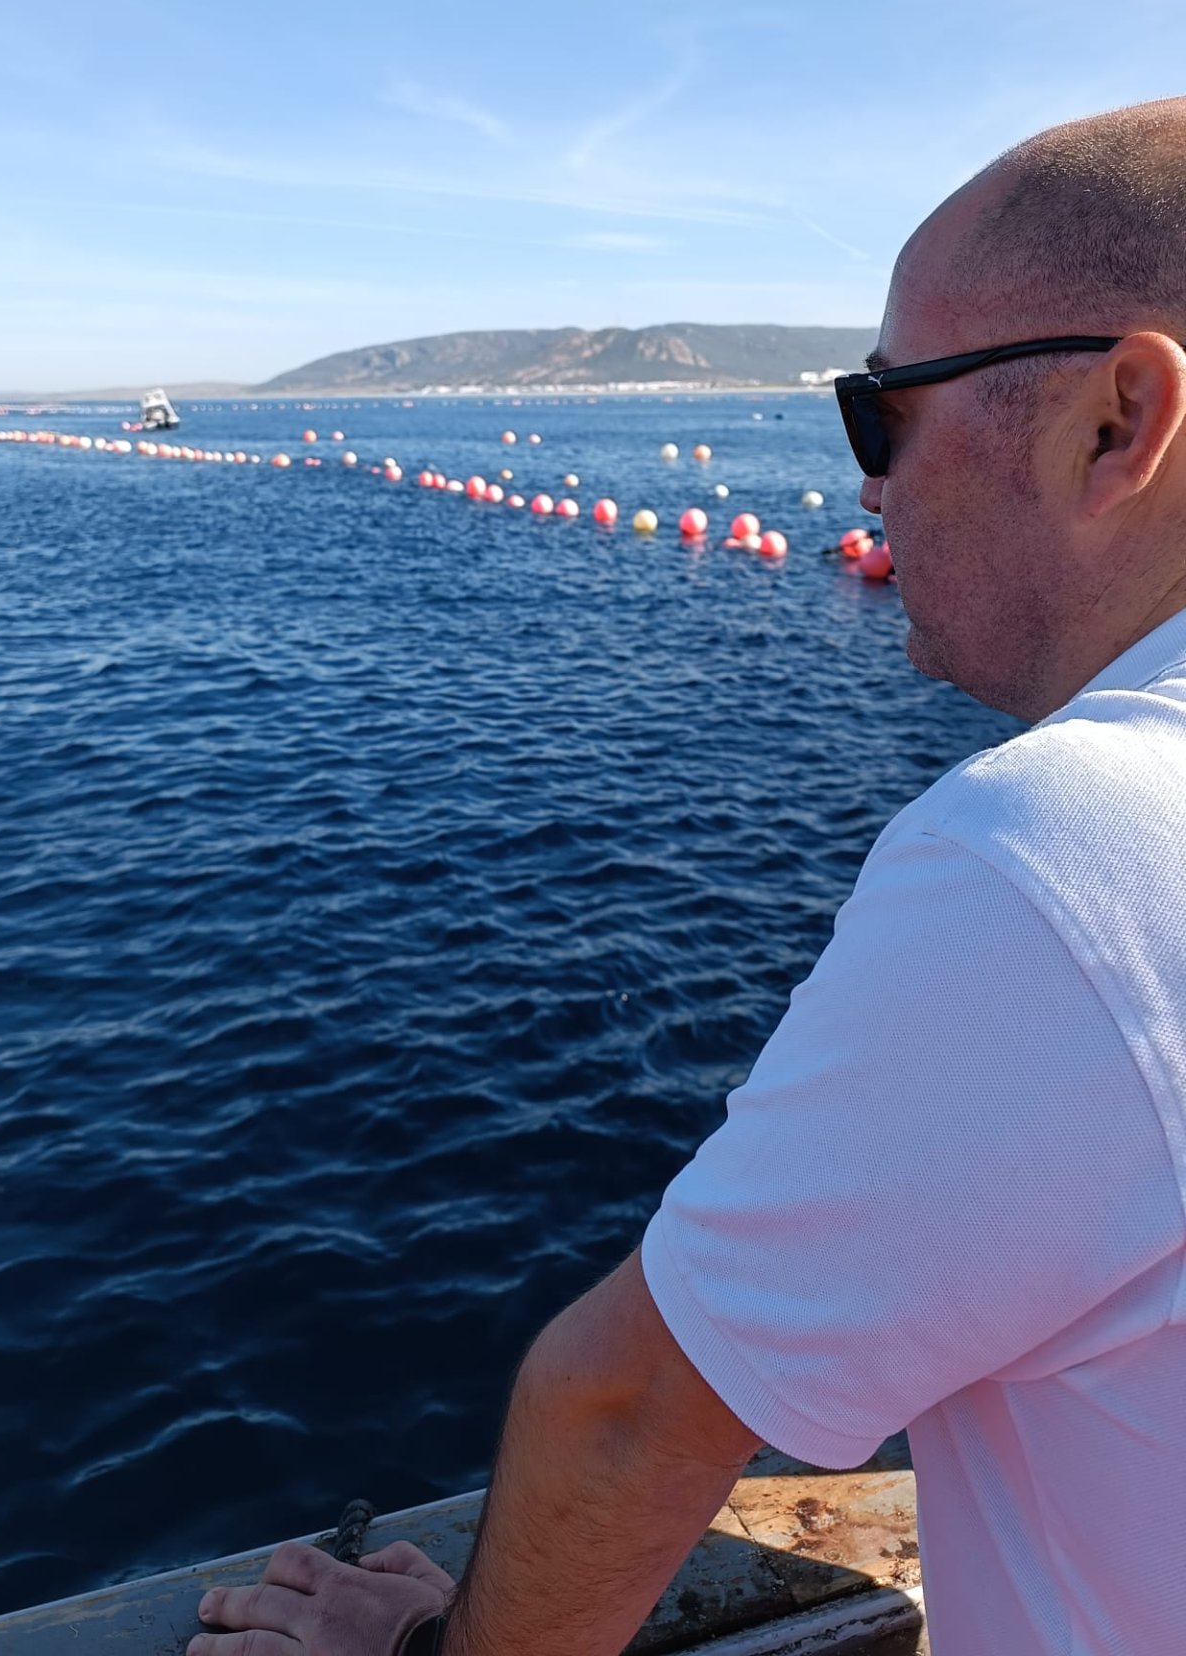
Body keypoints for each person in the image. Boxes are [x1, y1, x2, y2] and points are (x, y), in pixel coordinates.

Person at [187, 100, 1186, 1656]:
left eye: (880, 413)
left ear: (1118, 422)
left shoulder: (1071, 853)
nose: (867, 491)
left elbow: (624, 1410)